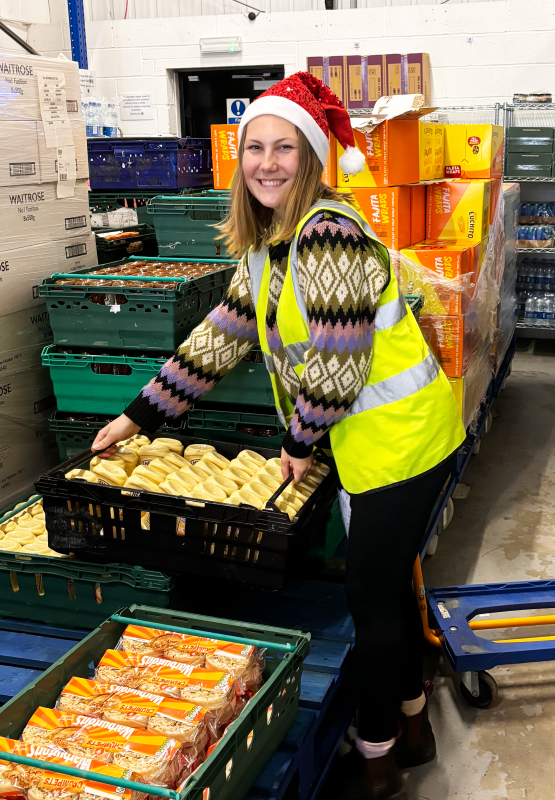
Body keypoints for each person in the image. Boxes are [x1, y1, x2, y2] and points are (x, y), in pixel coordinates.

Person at [92, 73, 466, 799]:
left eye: (284, 148)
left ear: (313, 159)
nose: (266, 161)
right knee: (383, 592)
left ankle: (378, 757)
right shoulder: (268, 248)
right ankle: (415, 725)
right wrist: (137, 415)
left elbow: (335, 363)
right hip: (366, 446)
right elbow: (217, 339)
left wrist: (296, 444)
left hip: (402, 444)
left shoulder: (329, 235)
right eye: (255, 146)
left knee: (369, 599)